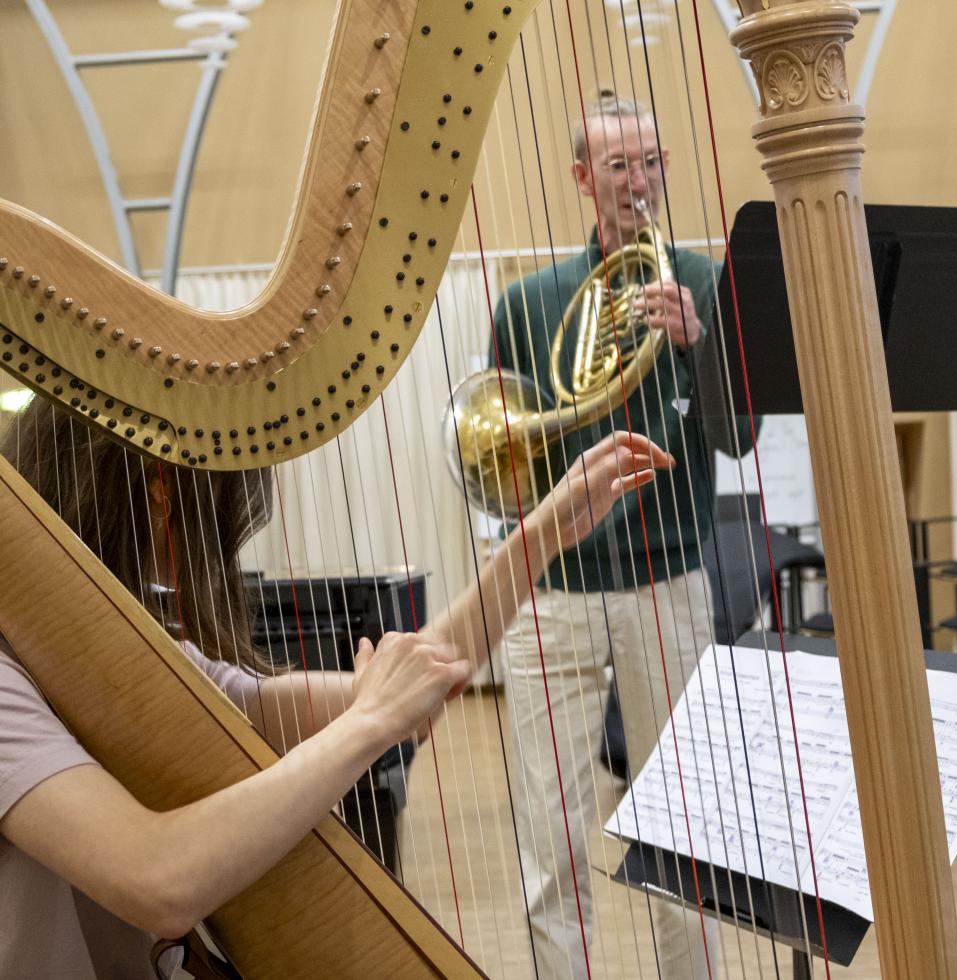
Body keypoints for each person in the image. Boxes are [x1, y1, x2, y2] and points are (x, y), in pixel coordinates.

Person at [0, 393, 672, 978]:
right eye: (208, 516)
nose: (214, 552)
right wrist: (368, 724)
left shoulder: (115, 659)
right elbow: (157, 880)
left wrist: (540, 538)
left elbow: (417, 676)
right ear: (153, 492)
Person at [489, 92, 755, 978]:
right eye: (616, 166)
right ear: (581, 179)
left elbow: (738, 435)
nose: (637, 182)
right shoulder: (532, 302)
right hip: (552, 596)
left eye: (650, 162)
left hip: (667, 588)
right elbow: (508, 454)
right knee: (548, 842)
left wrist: (698, 341)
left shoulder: (709, 284)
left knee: (685, 835)